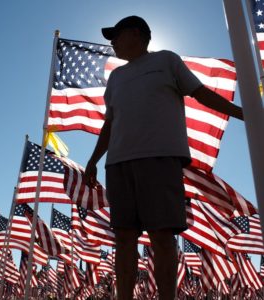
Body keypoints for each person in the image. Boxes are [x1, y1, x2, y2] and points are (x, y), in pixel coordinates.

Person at [84, 16, 243, 300]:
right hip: (118, 163)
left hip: (160, 158)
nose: (112, 43)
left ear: (136, 34)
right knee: (124, 237)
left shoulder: (166, 61)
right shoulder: (117, 77)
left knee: (161, 235)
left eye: (116, 36)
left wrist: (245, 113)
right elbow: (110, 122)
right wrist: (94, 159)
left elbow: (202, 94)